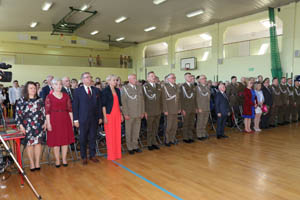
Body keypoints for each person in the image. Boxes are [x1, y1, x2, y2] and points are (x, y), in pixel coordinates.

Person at [73, 72, 103, 165]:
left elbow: (99, 105)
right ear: (82, 79)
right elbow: (75, 106)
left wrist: (100, 117)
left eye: (90, 77)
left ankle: (92, 155)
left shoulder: (96, 90)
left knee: (93, 137)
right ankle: (83, 156)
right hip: (82, 119)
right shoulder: (77, 91)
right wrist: (76, 120)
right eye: (87, 77)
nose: (89, 79)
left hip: (94, 119)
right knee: (83, 138)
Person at [15, 81, 46, 171]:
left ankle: (37, 163)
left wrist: (45, 122)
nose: (33, 90)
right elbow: (18, 115)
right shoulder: (21, 100)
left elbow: (44, 112)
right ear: (26, 89)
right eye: (31, 88)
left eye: (34, 88)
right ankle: (32, 163)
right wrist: (21, 126)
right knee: (29, 145)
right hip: (27, 126)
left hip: (39, 125)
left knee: (38, 144)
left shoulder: (40, 100)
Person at [45, 79, 75, 168]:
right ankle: (57, 160)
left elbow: (70, 109)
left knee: (65, 141)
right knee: (56, 142)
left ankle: (64, 159)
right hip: (54, 120)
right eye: (56, 84)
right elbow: (47, 112)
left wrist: (72, 121)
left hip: (65, 119)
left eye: (60, 84)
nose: (58, 86)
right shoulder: (49, 97)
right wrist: (48, 123)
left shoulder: (66, 95)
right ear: (52, 86)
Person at [122, 74, 145, 154]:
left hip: (138, 113)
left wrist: (142, 112)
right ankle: (130, 147)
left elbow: (142, 101)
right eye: (134, 78)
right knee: (129, 131)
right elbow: (124, 103)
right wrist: (125, 114)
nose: (136, 80)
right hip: (130, 114)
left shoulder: (139, 87)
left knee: (136, 131)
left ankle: (135, 146)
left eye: (136, 78)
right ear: (129, 79)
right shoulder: (125, 88)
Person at [102, 75, 123, 160]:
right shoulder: (105, 91)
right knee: (110, 135)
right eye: (114, 80)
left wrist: (121, 114)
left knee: (117, 134)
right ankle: (111, 155)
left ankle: (118, 153)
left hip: (117, 114)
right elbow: (103, 105)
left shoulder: (117, 90)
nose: (115, 82)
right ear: (109, 81)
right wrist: (105, 117)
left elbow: (119, 104)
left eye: (116, 80)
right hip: (109, 115)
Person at [143, 71, 162, 150]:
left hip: (157, 110)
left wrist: (161, 109)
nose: (153, 77)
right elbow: (143, 100)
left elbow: (161, 99)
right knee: (150, 128)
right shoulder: (145, 86)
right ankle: (149, 143)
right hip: (149, 111)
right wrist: (145, 111)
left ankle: (154, 142)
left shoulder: (158, 86)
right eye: (151, 76)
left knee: (155, 128)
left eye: (154, 76)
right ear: (148, 78)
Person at [162, 73, 181, 146]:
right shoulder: (165, 87)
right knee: (168, 126)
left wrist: (179, 108)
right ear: (168, 79)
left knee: (174, 126)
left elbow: (178, 99)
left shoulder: (176, 86)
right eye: (173, 78)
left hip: (176, 109)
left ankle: (172, 139)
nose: (174, 79)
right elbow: (164, 100)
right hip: (169, 109)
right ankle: (167, 140)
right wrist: (165, 110)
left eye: (175, 77)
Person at [180, 72, 196, 143]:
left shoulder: (193, 86)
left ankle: (190, 136)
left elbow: (195, 98)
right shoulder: (183, 86)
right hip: (186, 108)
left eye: (191, 77)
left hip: (192, 107)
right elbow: (181, 99)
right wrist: (182, 109)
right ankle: (185, 137)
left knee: (191, 123)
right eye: (189, 77)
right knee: (186, 123)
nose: (190, 78)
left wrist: (196, 107)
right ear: (185, 78)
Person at [196, 75, 211, 140]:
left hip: (207, 107)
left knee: (205, 122)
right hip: (201, 107)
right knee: (200, 121)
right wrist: (198, 107)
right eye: (203, 78)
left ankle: (203, 133)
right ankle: (199, 135)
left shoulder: (207, 87)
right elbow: (196, 99)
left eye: (205, 78)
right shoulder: (197, 88)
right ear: (199, 80)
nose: (205, 80)